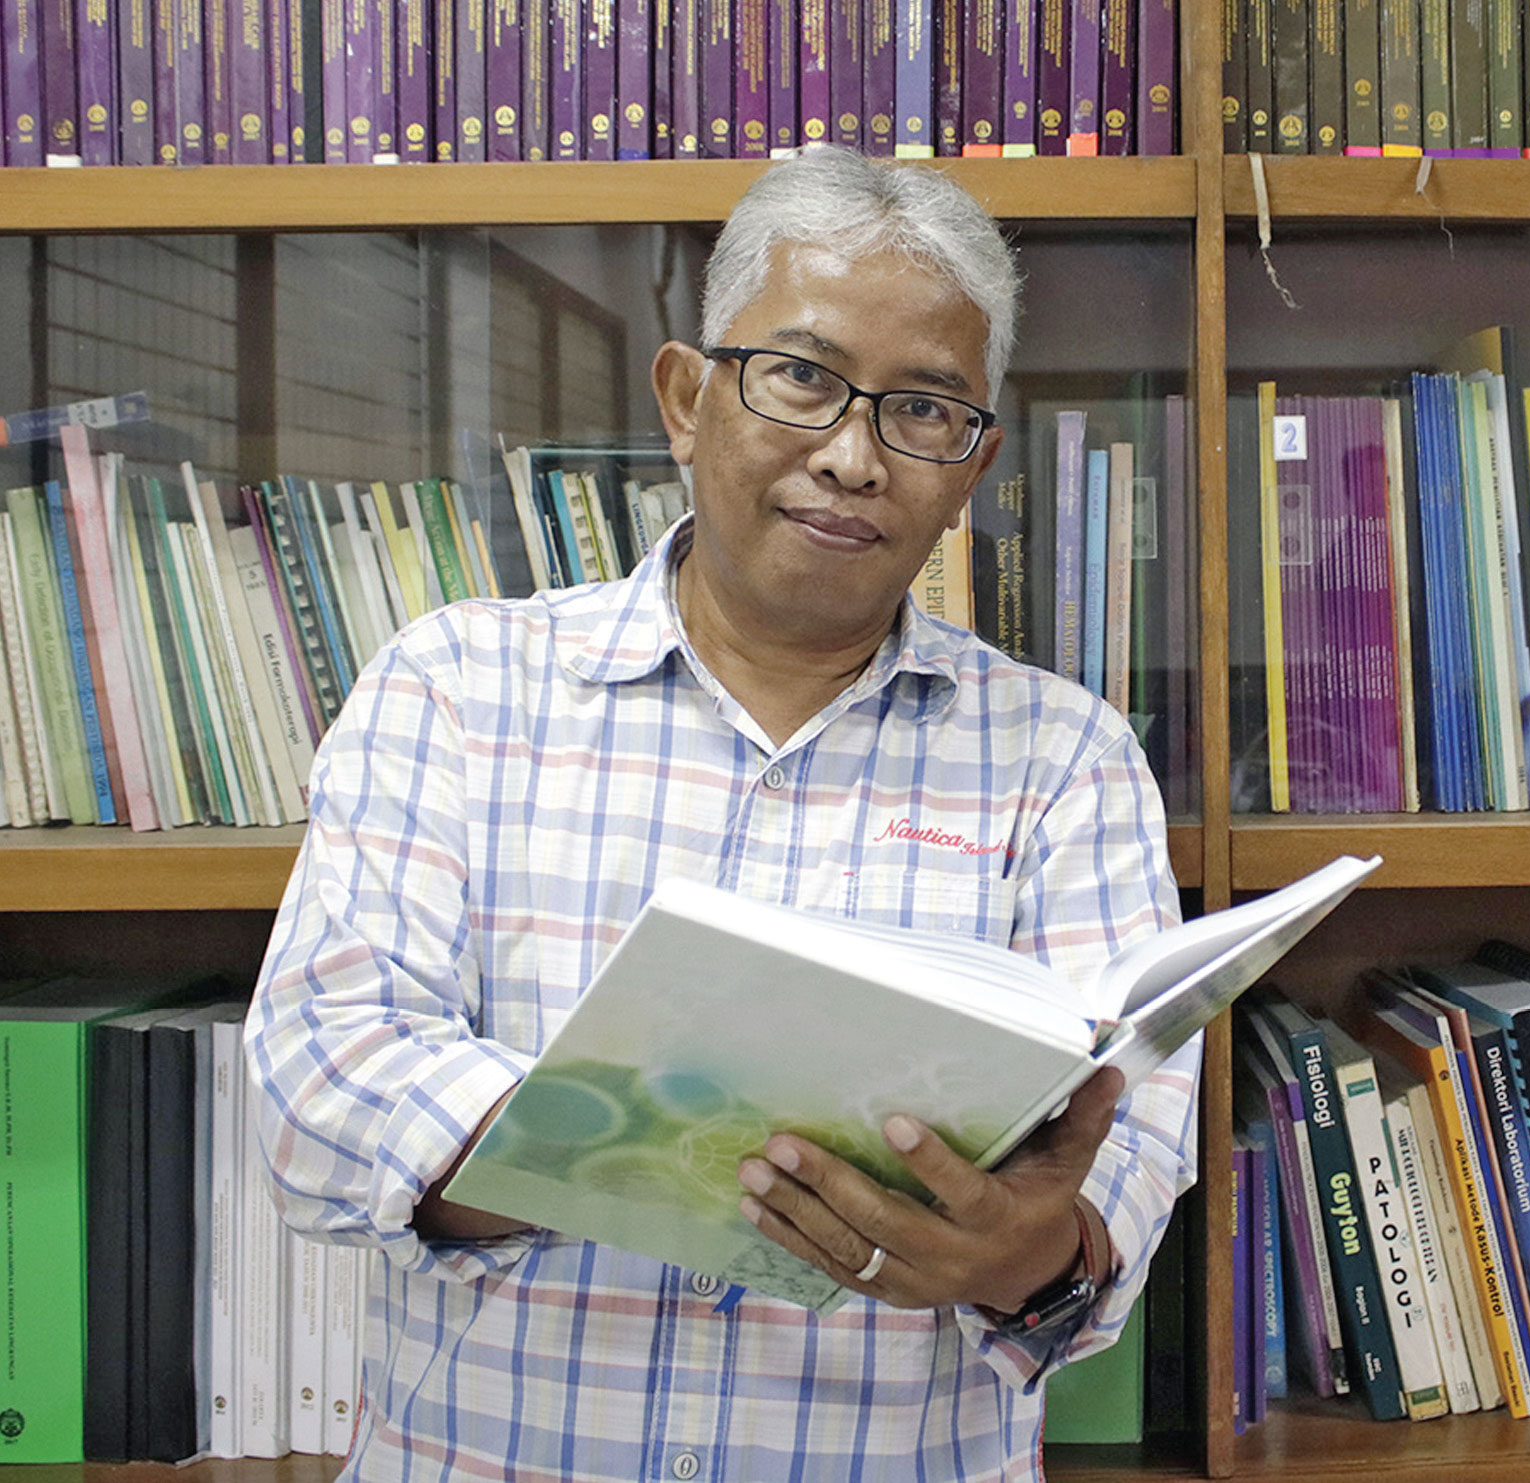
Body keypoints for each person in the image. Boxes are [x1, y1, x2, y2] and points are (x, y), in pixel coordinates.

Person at [247, 147, 1200, 1482]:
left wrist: (1026, 1253)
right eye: (803, 378)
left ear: (972, 464)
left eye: (925, 411)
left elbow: (1127, 1165)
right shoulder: (455, 687)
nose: (854, 458)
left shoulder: (1067, 762)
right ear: (689, 399)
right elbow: (321, 1087)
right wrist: (649, 1150)